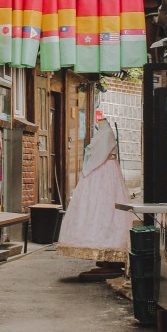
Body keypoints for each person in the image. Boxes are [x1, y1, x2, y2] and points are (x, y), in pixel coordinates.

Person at [56, 119, 132, 277]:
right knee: (101, 211)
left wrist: (87, 168)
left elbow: (98, 155)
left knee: (104, 210)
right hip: (104, 172)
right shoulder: (104, 132)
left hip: (104, 173)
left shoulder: (106, 133)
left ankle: (109, 255)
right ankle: (105, 258)